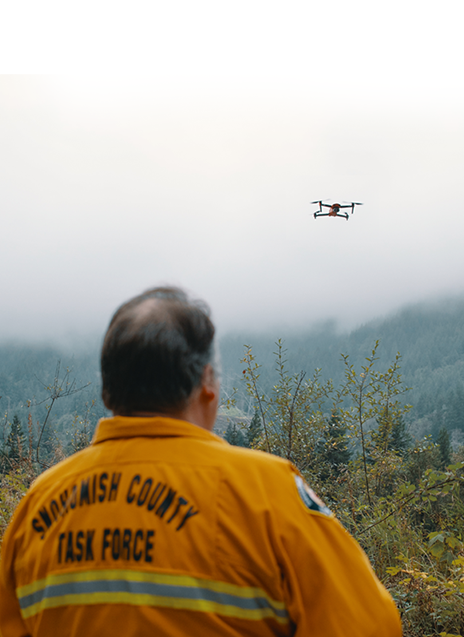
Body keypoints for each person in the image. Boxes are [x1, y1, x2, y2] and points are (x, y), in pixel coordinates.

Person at [0, 286, 402, 637]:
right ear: (207, 384)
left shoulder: (38, 505)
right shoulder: (267, 493)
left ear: (108, 391)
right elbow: (369, 626)